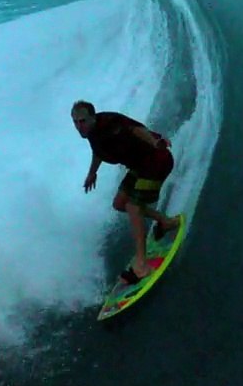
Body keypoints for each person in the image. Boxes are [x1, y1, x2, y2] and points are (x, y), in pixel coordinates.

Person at [72, 100, 181, 284]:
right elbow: (98, 152)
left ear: (93, 117)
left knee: (133, 206)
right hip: (139, 166)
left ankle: (142, 266)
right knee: (119, 204)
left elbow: (135, 130)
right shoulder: (92, 133)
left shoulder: (110, 123)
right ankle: (166, 221)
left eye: (82, 121)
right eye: (75, 122)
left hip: (156, 161)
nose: (78, 126)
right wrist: (92, 173)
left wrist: (155, 142)